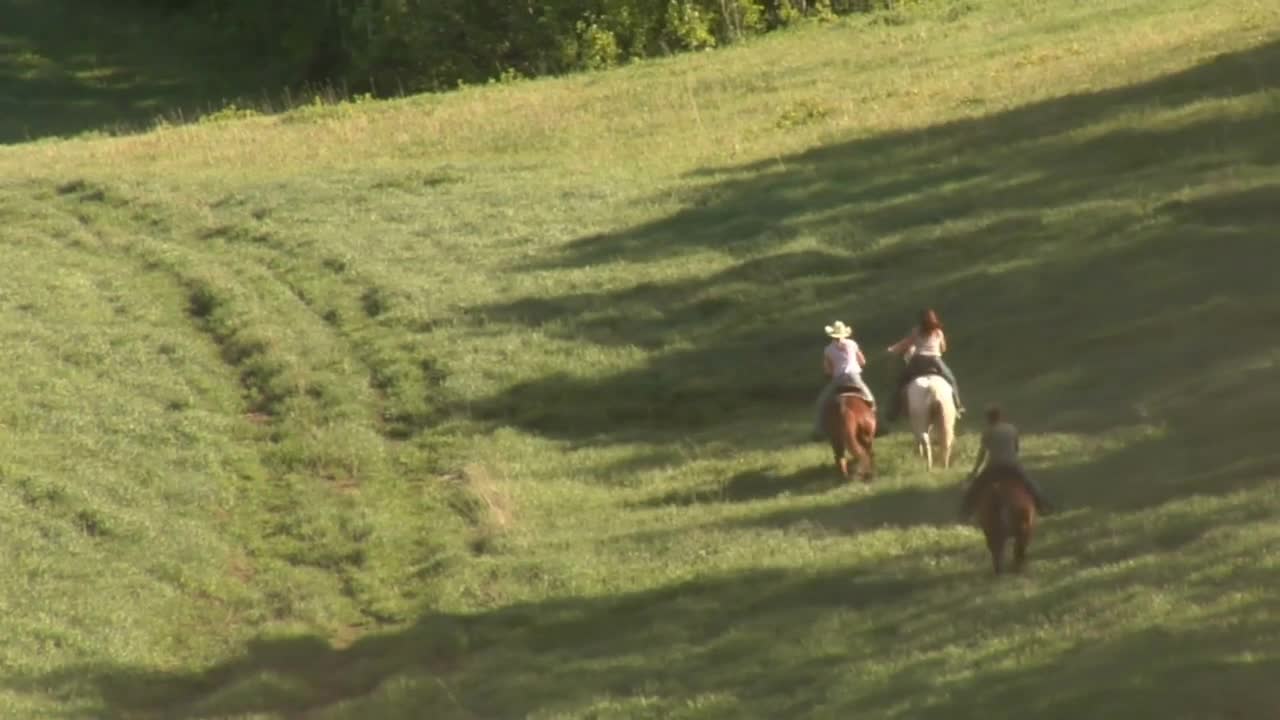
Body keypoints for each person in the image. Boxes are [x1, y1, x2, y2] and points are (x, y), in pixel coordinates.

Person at [960, 405, 1054, 519]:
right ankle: (1043, 505)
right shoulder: (1011, 429)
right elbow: (1016, 448)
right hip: (1012, 465)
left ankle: (966, 510)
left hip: (994, 466)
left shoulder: (988, 432)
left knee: (977, 486)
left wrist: (975, 470)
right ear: (1001, 417)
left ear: (988, 419)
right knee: (1029, 483)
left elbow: (982, 454)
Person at [885, 308, 965, 421]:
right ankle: (958, 406)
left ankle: (894, 411)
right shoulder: (938, 332)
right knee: (951, 379)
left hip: (917, 361)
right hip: (935, 361)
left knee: (901, 382)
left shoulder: (916, 331)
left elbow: (906, 344)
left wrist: (893, 349)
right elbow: (944, 348)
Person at [811, 320, 875, 440]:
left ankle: (818, 430)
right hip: (855, 377)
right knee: (870, 399)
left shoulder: (828, 349)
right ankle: (879, 425)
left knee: (822, 401)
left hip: (839, 380)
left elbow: (828, 371)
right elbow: (863, 361)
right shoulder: (852, 344)